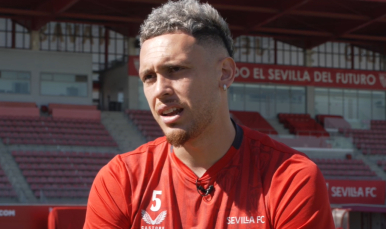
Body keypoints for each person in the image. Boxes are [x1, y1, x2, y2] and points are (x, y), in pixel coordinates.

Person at [84, 0, 335, 228]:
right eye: (148, 77)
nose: (159, 90)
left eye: (175, 69)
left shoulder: (291, 178)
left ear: (224, 72)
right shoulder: (121, 179)